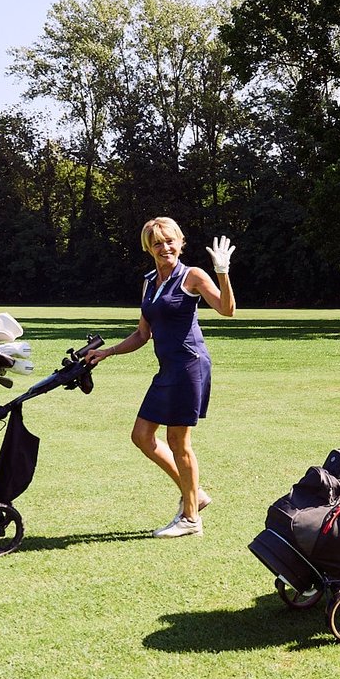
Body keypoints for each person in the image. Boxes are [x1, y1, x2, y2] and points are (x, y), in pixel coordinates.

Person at [85, 218, 236, 536]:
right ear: (148, 248)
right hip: (167, 368)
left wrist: (222, 272)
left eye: (170, 241)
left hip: (189, 365)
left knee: (178, 441)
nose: (164, 247)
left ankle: (191, 518)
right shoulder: (149, 281)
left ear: (181, 243)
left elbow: (226, 309)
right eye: (157, 243)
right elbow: (143, 334)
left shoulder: (192, 275)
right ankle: (195, 493)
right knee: (141, 436)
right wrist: (107, 352)